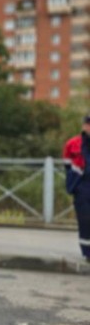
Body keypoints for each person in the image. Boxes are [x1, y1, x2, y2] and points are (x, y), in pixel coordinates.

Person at [63, 112, 90, 261]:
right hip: (83, 187)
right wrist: (75, 185)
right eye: (89, 124)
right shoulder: (73, 143)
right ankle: (87, 253)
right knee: (85, 220)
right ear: (84, 125)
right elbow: (67, 165)